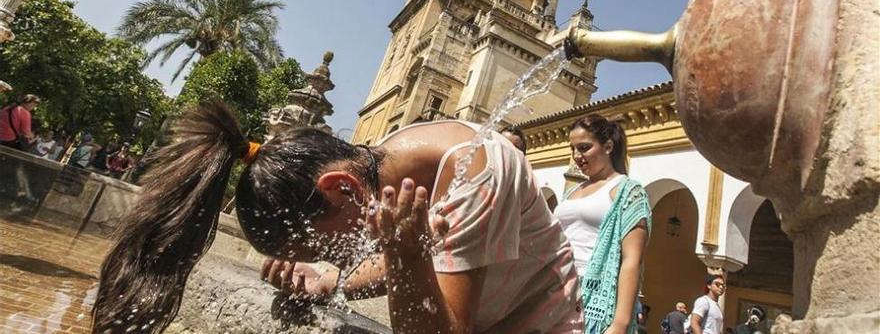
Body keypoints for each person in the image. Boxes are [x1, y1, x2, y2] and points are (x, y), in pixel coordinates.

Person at [92, 101, 583, 334]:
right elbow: (424, 266)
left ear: (341, 188)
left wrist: (404, 250)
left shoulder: (475, 171)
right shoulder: (388, 164)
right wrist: (331, 278)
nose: (332, 252)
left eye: (318, 246)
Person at [553, 114, 652, 334]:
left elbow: (631, 260)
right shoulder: (572, 190)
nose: (577, 156)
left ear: (608, 146)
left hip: (591, 301)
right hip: (554, 293)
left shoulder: (628, 191)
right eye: (573, 149)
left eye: (584, 148)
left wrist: (620, 324)